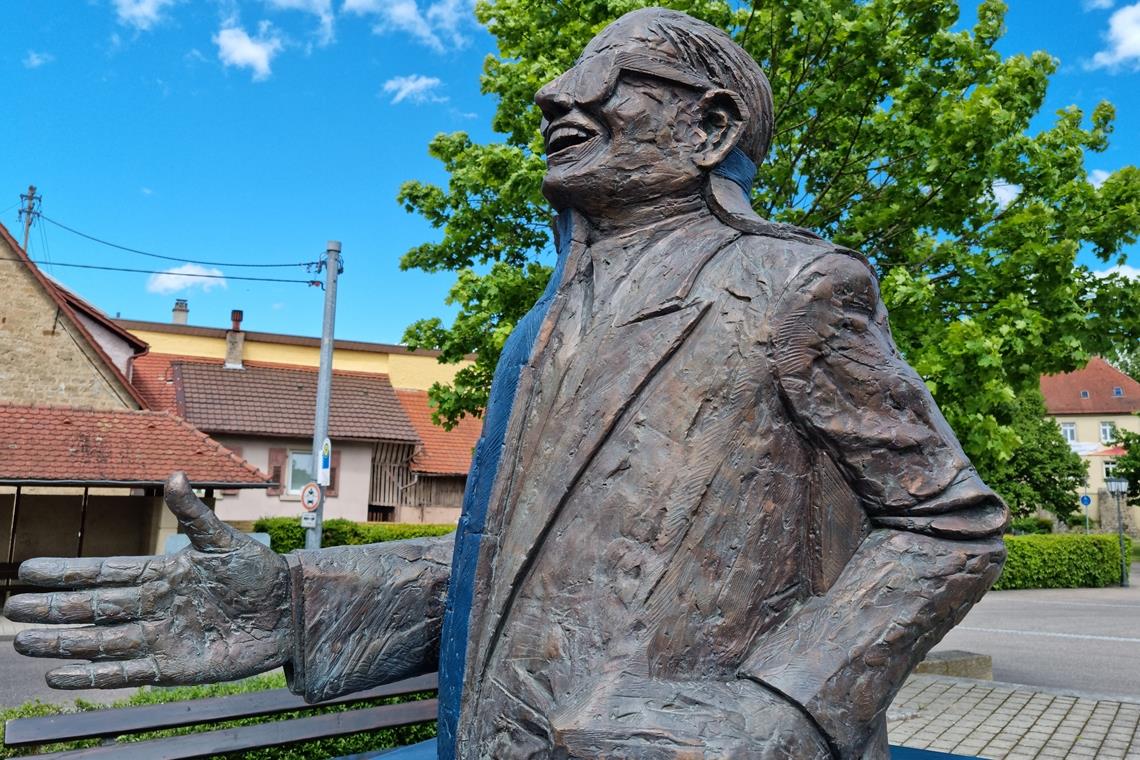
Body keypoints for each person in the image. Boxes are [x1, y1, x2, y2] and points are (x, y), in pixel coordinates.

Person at [6, 9, 1007, 759]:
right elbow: (518, 558)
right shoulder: (545, 322)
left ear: (708, 127)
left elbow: (947, 524)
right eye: (565, 76)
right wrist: (294, 603)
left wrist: (776, 710)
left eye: (610, 78)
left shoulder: (794, 287)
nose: (555, 97)